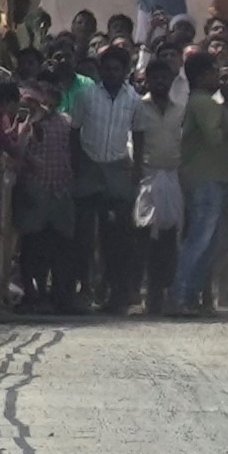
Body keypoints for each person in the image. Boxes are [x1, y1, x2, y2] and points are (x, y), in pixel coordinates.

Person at [70, 45, 139, 312]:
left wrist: (135, 170)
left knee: (117, 236)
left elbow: (139, 134)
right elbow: (74, 132)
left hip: (118, 167)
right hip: (89, 166)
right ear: (100, 71)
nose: (112, 73)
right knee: (85, 234)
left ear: (125, 72)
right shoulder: (85, 96)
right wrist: (76, 166)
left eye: (117, 69)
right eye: (107, 68)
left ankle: (114, 292)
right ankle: (83, 289)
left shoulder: (133, 99)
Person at [169, 54, 228, 316]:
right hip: (206, 177)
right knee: (199, 239)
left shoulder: (197, 102)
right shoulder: (204, 103)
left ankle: (189, 296)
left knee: (208, 241)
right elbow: (215, 137)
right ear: (201, 76)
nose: (217, 76)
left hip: (206, 176)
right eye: (212, 72)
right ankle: (180, 295)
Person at [13, 81, 76, 312]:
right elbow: (18, 156)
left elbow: (72, 153)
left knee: (59, 245)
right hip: (34, 191)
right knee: (31, 245)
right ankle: (32, 295)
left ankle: (59, 296)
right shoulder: (25, 125)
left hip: (60, 191)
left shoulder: (66, 123)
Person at [131, 58, 187, 315]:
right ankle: (147, 294)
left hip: (172, 177)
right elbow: (135, 142)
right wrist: (136, 179)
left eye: (165, 77)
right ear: (147, 80)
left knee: (168, 238)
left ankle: (164, 293)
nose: (161, 82)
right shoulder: (138, 107)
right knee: (145, 237)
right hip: (148, 178)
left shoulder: (179, 109)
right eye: (156, 78)